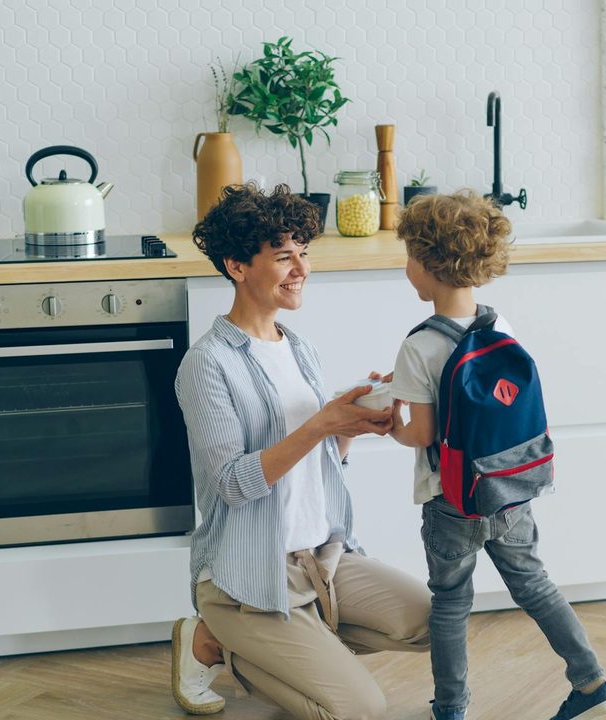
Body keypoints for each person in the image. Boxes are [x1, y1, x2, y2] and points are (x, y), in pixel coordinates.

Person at [169, 183, 430, 720]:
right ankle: (215, 640)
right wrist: (320, 423)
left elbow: (319, 461)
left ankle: (301, 641)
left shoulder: (299, 348)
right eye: (283, 256)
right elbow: (234, 484)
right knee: (356, 711)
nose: (301, 269)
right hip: (251, 573)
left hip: (324, 559)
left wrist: (352, 425)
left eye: (303, 253)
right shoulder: (208, 364)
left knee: (434, 620)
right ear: (237, 266)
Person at [386, 191, 606, 720]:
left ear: (426, 265)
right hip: (509, 492)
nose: (407, 270)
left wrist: (391, 423)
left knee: (450, 603)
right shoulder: (501, 327)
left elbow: (420, 431)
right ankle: (593, 683)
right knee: (535, 585)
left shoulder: (419, 346)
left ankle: (451, 708)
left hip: (452, 502)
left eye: (408, 258)